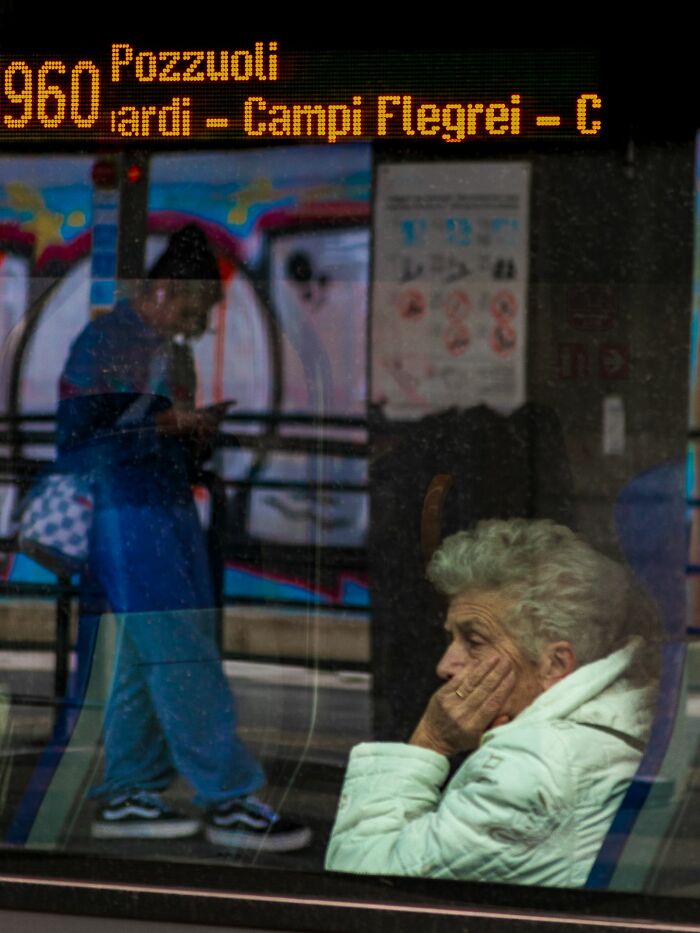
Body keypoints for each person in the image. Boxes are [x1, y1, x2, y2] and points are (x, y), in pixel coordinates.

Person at [57, 225, 311, 851]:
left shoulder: (163, 351)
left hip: (162, 505)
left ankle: (129, 790)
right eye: (198, 306)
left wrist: (192, 433)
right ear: (166, 290)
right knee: (182, 650)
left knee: (151, 656)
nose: (202, 321)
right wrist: (170, 422)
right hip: (131, 509)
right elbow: (81, 442)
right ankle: (229, 797)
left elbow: (120, 432)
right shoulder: (109, 341)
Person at [325, 519, 661, 886]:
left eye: (475, 641)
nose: (445, 666)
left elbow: (360, 885)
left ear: (555, 664)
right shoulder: (621, 707)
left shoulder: (532, 770)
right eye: (452, 639)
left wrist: (430, 742)